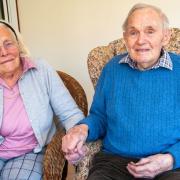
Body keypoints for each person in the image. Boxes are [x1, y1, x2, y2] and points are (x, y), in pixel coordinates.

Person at [62, 3, 180, 180]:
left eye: (150, 31)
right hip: (115, 162)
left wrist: (170, 159)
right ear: (125, 38)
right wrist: (81, 129)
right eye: (133, 32)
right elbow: (99, 117)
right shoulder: (112, 69)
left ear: (165, 36)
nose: (141, 40)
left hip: (168, 165)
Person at [0, 20, 84, 179]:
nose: (4, 52)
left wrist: (77, 135)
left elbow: (70, 114)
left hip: (27, 152)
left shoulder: (41, 70)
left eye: (8, 43)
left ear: (18, 45)